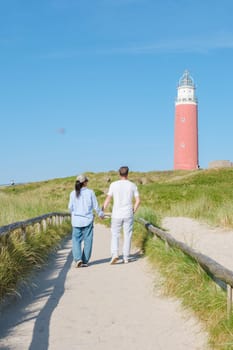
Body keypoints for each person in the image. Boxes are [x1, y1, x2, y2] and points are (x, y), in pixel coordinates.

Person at [102, 166, 140, 264]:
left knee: (115, 235)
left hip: (116, 214)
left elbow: (108, 199)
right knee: (128, 235)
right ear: (128, 174)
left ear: (119, 174)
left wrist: (102, 210)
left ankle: (115, 254)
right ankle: (126, 257)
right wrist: (133, 210)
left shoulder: (113, 184)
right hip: (128, 213)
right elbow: (138, 201)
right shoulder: (132, 185)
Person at [68, 174, 104, 268]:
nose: (87, 182)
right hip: (87, 220)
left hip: (76, 221)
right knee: (88, 240)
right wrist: (100, 214)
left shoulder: (72, 193)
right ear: (84, 182)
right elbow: (95, 206)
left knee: (76, 240)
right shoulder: (90, 192)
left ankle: (78, 259)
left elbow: (70, 208)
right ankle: (85, 261)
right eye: (87, 181)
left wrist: (74, 213)